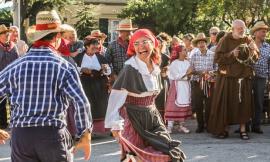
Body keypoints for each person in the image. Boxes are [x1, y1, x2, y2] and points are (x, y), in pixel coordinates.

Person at [2, 10, 92, 161]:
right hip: (51, 134)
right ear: (57, 37)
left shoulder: (16, 66)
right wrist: (85, 134)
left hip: (21, 137)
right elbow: (81, 102)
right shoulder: (64, 66)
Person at [105, 29, 186, 162]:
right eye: (136, 44)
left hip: (152, 118)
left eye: (144, 41)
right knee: (138, 157)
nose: (140, 46)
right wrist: (115, 126)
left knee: (167, 153)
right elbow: (115, 99)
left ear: (153, 44)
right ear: (133, 48)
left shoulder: (156, 68)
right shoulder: (130, 69)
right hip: (133, 119)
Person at [208, 20, 259, 140]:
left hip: (243, 78)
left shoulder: (247, 40)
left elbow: (255, 59)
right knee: (227, 104)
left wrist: (253, 50)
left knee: (243, 105)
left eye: (243, 28)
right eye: (239, 28)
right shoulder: (224, 40)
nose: (242, 30)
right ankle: (224, 130)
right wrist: (231, 54)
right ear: (233, 29)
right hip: (228, 78)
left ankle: (243, 130)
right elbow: (217, 59)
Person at [77, 36, 111, 134]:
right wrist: (82, 70)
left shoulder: (100, 57)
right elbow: (74, 68)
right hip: (85, 84)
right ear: (87, 46)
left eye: (97, 45)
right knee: (88, 105)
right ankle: (87, 129)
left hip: (99, 84)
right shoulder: (79, 57)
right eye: (93, 45)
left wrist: (105, 69)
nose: (96, 47)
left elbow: (108, 71)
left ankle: (99, 129)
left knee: (101, 105)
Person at [190, 33, 216, 133]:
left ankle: (208, 125)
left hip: (209, 83)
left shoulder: (212, 55)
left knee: (209, 105)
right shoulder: (194, 56)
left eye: (203, 42)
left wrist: (209, 73)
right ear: (197, 45)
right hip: (197, 83)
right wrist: (198, 73)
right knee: (198, 105)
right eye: (199, 43)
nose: (201, 44)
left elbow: (216, 69)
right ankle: (200, 125)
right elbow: (191, 70)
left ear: (206, 43)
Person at [165, 45, 192, 134]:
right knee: (174, 105)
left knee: (184, 104)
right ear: (179, 52)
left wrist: (189, 76)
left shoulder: (187, 62)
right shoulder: (174, 63)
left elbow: (190, 75)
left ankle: (181, 125)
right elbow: (175, 76)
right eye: (184, 50)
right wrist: (186, 73)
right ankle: (169, 126)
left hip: (186, 86)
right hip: (177, 86)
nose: (186, 51)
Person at [250, 21, 270, 134]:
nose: (265, 33)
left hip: (262, 78)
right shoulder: (248, 45)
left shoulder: (268, 47)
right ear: (256, 32)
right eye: (263, 31)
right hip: (248, 77)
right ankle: (244, 125)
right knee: (246, 101)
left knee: (259, 102)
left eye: (266, 31)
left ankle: (256, 125)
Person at [0, 24, 19, 129]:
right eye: (3, 33)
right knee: (1, 102)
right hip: (1, 78)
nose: (6, 35)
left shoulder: (13, 46)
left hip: (13, 78)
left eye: (7, 33)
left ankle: (14, 121)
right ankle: (2, 124)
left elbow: (17, 61)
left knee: (14, 100)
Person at [155, 35, 170, 119]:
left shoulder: (165, 57)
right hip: (152, 80)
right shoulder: (150, 56)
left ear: (161, 44)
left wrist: (165, 69)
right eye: (156, 43)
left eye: (159, 43)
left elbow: (166, 72)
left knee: (161, 101)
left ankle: (162, 121)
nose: (158, 44)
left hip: (162, 80)